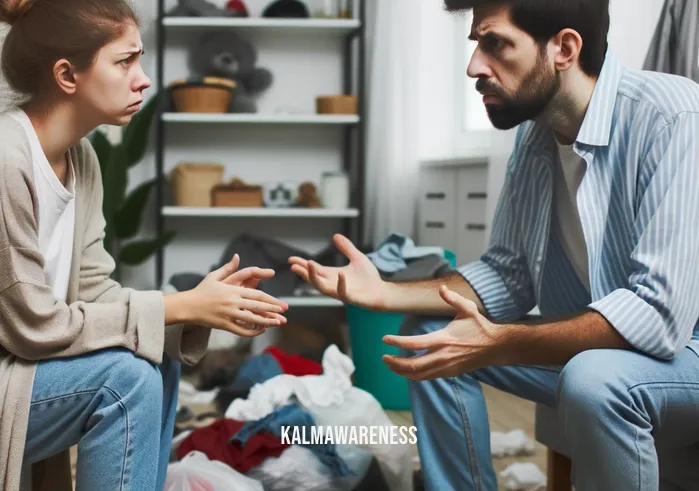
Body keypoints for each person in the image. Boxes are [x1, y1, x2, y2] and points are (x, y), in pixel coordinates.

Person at [290, 0, 699, 489]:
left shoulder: (671, 116)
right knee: (430, 336)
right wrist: (386, 293)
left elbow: (656, 317)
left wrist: (499, 342)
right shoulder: (536, 136)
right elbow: (509, 274)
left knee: (594, 377)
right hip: (599, 353)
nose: (473, 67)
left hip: (682, 355)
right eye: (475, 45)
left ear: (564, 48)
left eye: (495, 44)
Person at [0, 1, 289, 490]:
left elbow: (90, 290)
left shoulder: (82, 159)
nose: (144, 79)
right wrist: (176, 303)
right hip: (14, 373)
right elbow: (35, 325)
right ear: (68, 75)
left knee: (156, 354)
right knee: (125, 378)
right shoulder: (7, 158)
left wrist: (196, 311)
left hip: (26, 377)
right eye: (124, 61)